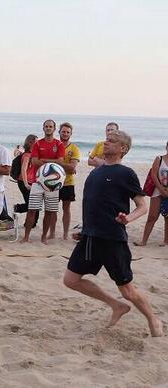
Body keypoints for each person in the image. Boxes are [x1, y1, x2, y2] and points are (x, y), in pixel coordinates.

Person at [63, 130, 163, 338]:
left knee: (127, 291)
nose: (106, 143)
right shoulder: (95, 173)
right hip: (90, 236)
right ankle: (115, 306)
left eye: (112, 141)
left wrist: (128, 218)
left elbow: (142, 206)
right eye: (106, 140)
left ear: (123, 148)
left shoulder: (126, 173)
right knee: (71, 280)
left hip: (113, 239)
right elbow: (93, 205)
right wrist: (84, 229)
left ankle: (153, 319)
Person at [20, 119, 65, 244]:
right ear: (43, 128)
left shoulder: (59, 144)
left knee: (50, 211)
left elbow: (61, 162)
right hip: (37, 181)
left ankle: (44, 237)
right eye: (46, 126)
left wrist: (43, 160)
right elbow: (34, 162)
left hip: (53, 183)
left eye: (50, 126)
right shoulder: (37, 144)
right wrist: (51, 162)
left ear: (54, 129)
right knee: (32, 210)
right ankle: (26, 237)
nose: (48, 128)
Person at [135, 141, 168, 246]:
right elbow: (154, 175)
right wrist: (161, 189)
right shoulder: (159, 159)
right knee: (152, 216)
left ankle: (166, 241)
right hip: (157, 191)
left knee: (167, 217)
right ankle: (144, 241)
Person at [56, 122, 81, 240]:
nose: (65, 134)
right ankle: (51, 233)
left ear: (71, 134)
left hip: (68, 183)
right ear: (59, 132)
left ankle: (65, 234)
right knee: (51, 210)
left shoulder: (74, 148)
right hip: (53, 183)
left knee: (66, 209)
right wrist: (68, 166)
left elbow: (72, 167)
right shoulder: (54, 145)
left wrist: (58, 163)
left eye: (67, 132)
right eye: (63, 131)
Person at [16, 134, 39, 227]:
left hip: (32, 181)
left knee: (35, 204)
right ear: (30, 143)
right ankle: (17, 208)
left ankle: (32, 224)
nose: (38, 144)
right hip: (24, 182)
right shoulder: (27, 155)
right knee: (32, 204)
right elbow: (23, 169)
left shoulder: (34, 155)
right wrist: (26, 184)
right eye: (36, 142)